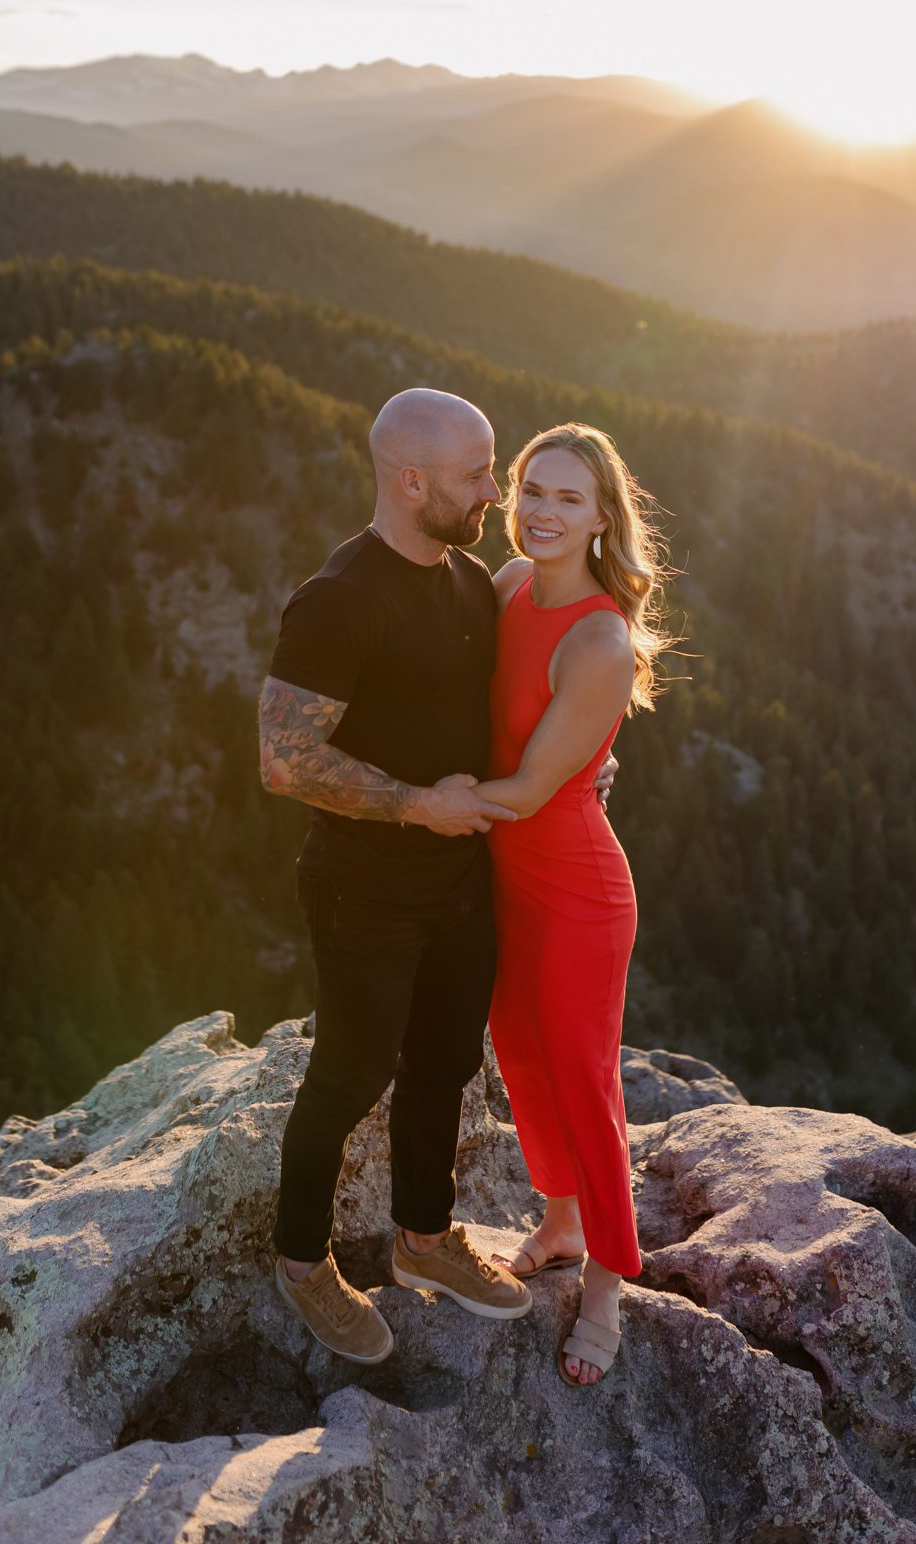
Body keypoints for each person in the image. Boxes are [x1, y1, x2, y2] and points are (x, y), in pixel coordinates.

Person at [257, 388, 615, 1364]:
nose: (494, 491)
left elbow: (535, 690)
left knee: (445, 1064)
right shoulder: (339, 598)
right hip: (364, 885)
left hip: (463, 880)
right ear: (411, 481)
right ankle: (301, 1262)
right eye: (474, 474)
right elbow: (283, 759)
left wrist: (586, 763)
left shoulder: (471, 582)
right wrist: (416, 801)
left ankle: (423, 1236)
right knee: (349, 1071)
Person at [474, 422, 672, 1388]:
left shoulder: (599, 636)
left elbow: (521, 790)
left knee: (584, 1077)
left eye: (565, 499)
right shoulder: (508, 587)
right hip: (503, 876)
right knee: (518, 1047)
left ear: (601, 518)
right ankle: (558, 1219)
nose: (541, 513)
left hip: (572, 887)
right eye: (529, 491)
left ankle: (606, 1285)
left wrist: (395, 801)